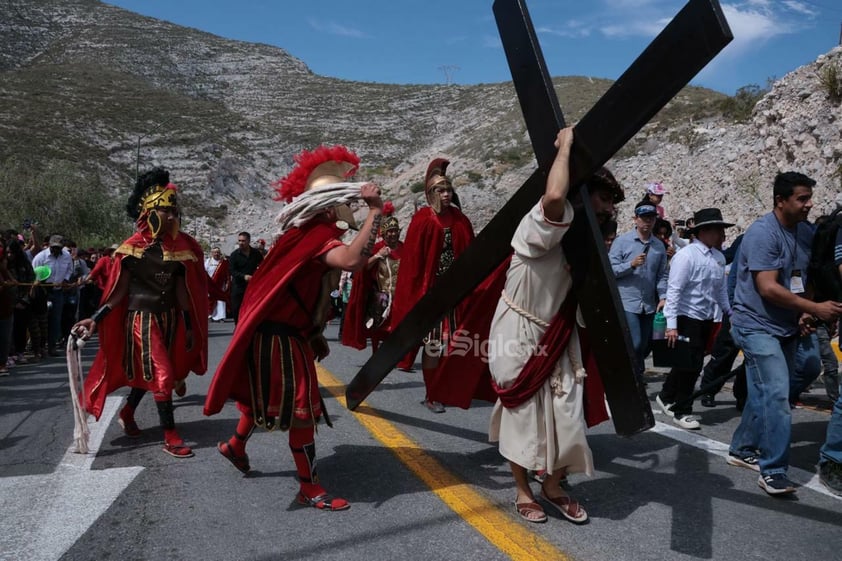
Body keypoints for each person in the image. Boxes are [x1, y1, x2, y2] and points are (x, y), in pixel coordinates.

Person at [205, 144, 385, 512]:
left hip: (282, 333)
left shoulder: (308, 235)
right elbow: (351, 261)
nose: (349, 208)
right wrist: (376, 211)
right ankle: (310, 487)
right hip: (279, 338)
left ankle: (234, 446)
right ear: (330, 203)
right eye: (346, 201)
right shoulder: (315, 237)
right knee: (303, 409)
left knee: (263, 398)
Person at [486, 127, 622, 524]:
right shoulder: (539, 226)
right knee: (522, 414)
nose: (608, 209)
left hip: (560, 337)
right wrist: (564, 149)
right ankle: (522, 489)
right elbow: (556, 196)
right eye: (602, 199)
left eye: (611, 204)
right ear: (584, 194)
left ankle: (553, 485)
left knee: (567, 416)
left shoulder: (584, 245)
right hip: (519, 333)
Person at [73, 168, 208, 458]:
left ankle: (128, 411)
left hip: (170, 319)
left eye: (174, 210)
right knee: (162, 374)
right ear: (149, 212)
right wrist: (95, 320)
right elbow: (119, 293)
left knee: (156, 374)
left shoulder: (181, 247)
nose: (171, 216)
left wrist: (188, 325)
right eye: (165, 210)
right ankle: (170, 435)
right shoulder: (130, 249)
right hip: (142, 321)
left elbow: (182, 292)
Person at [727, 171, 842, 496]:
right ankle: (773, 470)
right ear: (781, 201)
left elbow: (800, 279)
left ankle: (741, 447)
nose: (809, 204)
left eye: (809, 198)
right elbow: (767, 288)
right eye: (801, 199)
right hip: (756, 325)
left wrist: (806, 309)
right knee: (776, 394)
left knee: (803, 369)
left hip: (787, 324)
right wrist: (817, 309)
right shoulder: (763, 233)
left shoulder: (804, 232)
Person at [391, 158, 475, 413]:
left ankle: (447, 388)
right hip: (431, 295)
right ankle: (431, 394)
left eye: (449, 190)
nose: (447, 194)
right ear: (431, 193)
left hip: (455, 294)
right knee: (434, 344)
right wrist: (420, 295)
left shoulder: (459, 218)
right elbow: (413, 265)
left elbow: (470, 253)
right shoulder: (423, 220)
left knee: (458, 344)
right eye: (442, 190)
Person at [655, 208, 733, 430]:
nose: (722, 236)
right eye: (718, 231)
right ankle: (683, 409)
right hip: (686, 316)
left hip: (706, 318)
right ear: (703, 232)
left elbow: (720, 291)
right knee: (691, 364)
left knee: (687, 362)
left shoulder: (718, 258)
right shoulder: (686, 256)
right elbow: (675, 290)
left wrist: (729, 312)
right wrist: (671, 326)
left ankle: (667, 394)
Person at [608, 200, 668, 385]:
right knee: (634, 342)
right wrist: (630, 265)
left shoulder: (658, 246)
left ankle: (633, 373)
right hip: (627, 301)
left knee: (645, 344)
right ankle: (631, 377)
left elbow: (662, 275)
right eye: (643, 218)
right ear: (635, 219)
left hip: (648, 303)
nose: (647, 222)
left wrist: (663, 296)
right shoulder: (622, 242)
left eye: (651, 218)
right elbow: (610, 269)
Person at [341, 204, 403, 354]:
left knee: (397, 327)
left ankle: (393, 353)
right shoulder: (376, 248)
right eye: (390, 231)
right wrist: (378, 256)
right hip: (380, 295)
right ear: (384, 233)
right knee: (377, 327)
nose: (393, 234)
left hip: (400, 295)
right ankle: (377, 352)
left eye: (395, 231)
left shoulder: (405, 248)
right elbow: (362, 268)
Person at [31, 234, 73, 356]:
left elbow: (69, 270)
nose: (56, 250)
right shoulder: (41, 257)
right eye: (54, 247)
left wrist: (65, 280)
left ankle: (52, 346)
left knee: (56, 320)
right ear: (49, 245)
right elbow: (34, 272)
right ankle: (40, 347)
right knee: (42, 320)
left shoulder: (66, 256)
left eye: (58, 247)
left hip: (58, 291)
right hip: (43, 292)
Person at [229, 231, 263, 323]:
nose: (241, 243)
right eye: (239, 241)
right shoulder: (234, 255)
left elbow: (263, 266)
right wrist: (244, 276)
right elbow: (232, 271)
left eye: (243, 241)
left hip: (253, 287)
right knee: (237, 309)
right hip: (238, 287)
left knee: (252, 309)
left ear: (248, 241)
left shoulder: (256, 254)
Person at [205, 246, 230, 322]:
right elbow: (204, 272)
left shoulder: (223, 262)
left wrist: (227, 284)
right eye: (215, 252)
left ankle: (221, 317)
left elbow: (227, 274)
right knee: (210, 300)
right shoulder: (208, 261)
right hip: (210, 285)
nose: (216, 254)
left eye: (218, 252)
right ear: (212, 253)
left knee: (220, 301)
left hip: (220, 285)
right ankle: (210, 315)